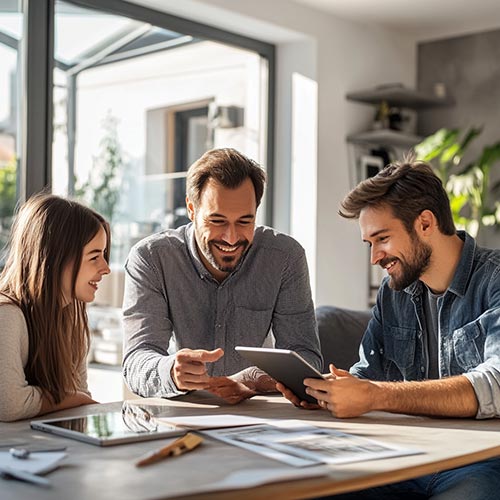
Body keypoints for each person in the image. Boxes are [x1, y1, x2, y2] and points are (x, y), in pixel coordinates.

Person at [278, 158, 500, 499]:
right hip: (402, 454)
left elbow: (495, 386)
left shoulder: (494, 280)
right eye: (369, 243)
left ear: (425, 223)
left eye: (382, 238)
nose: (374, 257)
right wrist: (329, 394)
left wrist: (375, 396)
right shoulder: (393, 293)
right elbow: (368, 376)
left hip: (480, 461)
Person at [122, 147, 322, 403]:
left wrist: (253, 380)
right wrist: (172, 372)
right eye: (217, 221)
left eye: (244, 221)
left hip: (257, 416)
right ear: (192, 210)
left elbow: (306, 357)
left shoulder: (284, 258)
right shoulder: (151, 259)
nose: (231, 237)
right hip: (184, 413)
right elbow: (136, 360)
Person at [0, 194, 111, 422]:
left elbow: (79, 395)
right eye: (94, 257)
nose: (106, 268)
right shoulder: (7, 315)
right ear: (56, 259)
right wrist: (73, 399)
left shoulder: (72, 316)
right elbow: (10, 404)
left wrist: (75, 399)